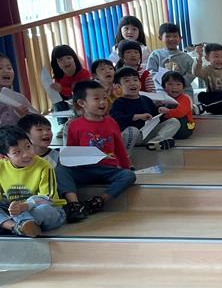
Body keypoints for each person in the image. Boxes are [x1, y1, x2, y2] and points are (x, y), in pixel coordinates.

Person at [63, 80, 136, 214]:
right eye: (96, 99)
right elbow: (71, 152)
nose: (102, 102)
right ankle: (74, 204)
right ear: (82, 103)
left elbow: (120, 149)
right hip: (84, 170)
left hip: (108, 169)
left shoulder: (111, 122)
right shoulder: (74, 125)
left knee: (129, 175)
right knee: (60, 170)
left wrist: (125, 166)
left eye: (104, 98)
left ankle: (99, 201)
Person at [17, 112, 88, 222]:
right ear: (25, 135)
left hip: (51, 199)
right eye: (39, 130)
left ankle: (74, 206)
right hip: (27, 199)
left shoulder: (58, 156)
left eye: (48, 129)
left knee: (60, 170)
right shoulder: (20, 160)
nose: (46, 133)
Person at [0, 125, 66, 237]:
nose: (26, 154)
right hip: (13, 211)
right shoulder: (1, 167)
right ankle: (18, 227)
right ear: (4, 157)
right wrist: (14, 208)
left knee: (44, 209)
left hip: (43, 209)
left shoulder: (44, 166)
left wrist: (26, 206)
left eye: (28, 147)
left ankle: (18, 225)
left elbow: (48, 198)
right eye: (17, 152)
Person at [110, 67, 180, 152]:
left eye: (135, 80)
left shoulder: (146, 99)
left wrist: (160, 111)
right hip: (130, 136)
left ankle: (155, 142)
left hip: (147, 134)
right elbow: (116, 119)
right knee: (132, 130)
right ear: (118, 86)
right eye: (127, 81)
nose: (132, 83)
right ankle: (125, 156)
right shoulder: (118, 102)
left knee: (174, 121)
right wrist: (136, 117)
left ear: (140, 83)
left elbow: (155, 118)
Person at [146, 22, 196, 92]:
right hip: (162, 89)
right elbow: (151, 72)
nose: (172, 39)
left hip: (183, 90)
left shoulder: (186, 57)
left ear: (180, 38)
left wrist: (180, 83)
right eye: (168, 36)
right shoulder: (156, 55)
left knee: (187, 97)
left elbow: (193, 72)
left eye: (175, 36)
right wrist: (164, 83)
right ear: (160, 38)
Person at [0, 53, 34, 127]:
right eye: (0, 68)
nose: (6, 71)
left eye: (9, 68)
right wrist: (17, 115)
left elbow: (35, 119)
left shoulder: (20, 97)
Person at [160, 70, 194, 141]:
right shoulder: (162, 98)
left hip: (185, 128)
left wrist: (167, 112)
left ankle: (161, 139)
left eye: (178, 84)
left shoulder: (185, 98)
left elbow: (180, 112)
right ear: (163, 87)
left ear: (183, 87)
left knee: (171, 106)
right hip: (171, 125)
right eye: (170, 84)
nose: (174, 87)